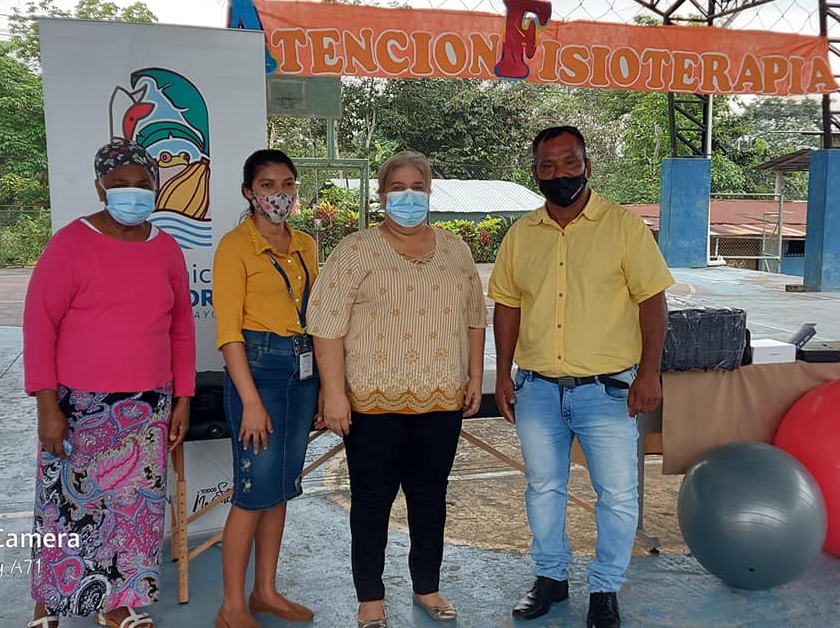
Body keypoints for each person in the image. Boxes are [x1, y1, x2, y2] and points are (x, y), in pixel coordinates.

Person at [489, 126, 673, 628]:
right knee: (543, 489)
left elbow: (652, 303)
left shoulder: (624, 227)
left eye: (569, 162)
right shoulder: (521, 234)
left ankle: (605, 588)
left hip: (607, 392)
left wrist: (649, 374)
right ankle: (550, 577)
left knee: (616, 495)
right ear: (535, 173)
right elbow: (507, 306)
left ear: (587, 166)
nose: (559, 174)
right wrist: (502, 374)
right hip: (537, 390)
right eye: (547, 166)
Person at [307, 150, 486, 628]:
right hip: (372, 403)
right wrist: (334, 393)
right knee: (372, 500)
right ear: (382, 195)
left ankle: (427, 586)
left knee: (430, 497)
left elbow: (474, 317)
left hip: (441, 399)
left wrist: (474, 376)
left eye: (417, 188)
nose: (408, 197)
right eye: (398, 188)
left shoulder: (455, 250)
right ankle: (370, 598)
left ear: (430, 192)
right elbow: (326, 324)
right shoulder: (356, 249)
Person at [24, 138, 193, 628]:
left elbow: (182, 328)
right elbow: (39, 325)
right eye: (120, 184)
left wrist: (182, 398)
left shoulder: (166, 249)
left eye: (143, 184)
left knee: (132, 510)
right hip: (80, 404)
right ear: (101, 187)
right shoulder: (70, 244)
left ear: (155, 187)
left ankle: (117, 603)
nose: (132, 193)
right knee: (67, 509)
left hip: (148, 403)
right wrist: (47, 406)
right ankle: (49, 602)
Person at [212, 149, 321, 628]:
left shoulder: (306, 245)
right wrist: (251, 402)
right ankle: (231, 605)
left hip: (303, 371)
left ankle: (265, 592)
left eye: (287, 184)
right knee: (253, 490)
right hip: (258, 372)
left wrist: (324, 387)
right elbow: (228, 334)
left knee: (279, 488)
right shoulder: (235, 247)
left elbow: (317, 317)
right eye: (268, 185)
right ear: (248, 192)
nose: (280, 194)